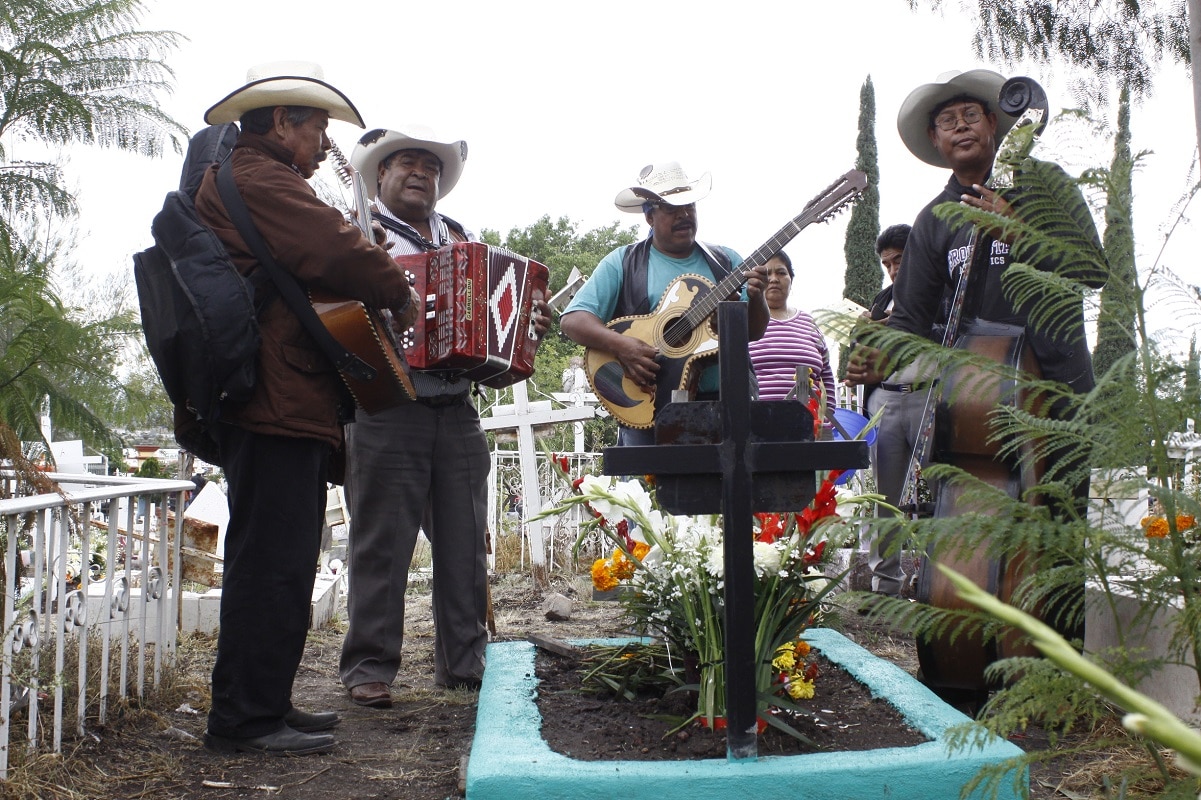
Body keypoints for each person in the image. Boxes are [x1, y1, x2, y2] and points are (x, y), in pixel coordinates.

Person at [194, 62, 418, 755]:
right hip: (273, 397)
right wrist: (397, 289)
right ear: (280, 123)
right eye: (316, 124)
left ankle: (264, 705)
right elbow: (334, 249)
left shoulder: (253, 177)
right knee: (272, 563)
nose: (325, 141)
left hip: (275, 396)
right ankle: (246, 720)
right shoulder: (263, 180)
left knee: (279, 558)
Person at [846, 70, 1106, 624]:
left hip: (1058, 390)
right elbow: (913, 320)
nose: (960, 126)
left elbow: (1093, 269)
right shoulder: (934, 219)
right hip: (976, 403)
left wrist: (1022, 235)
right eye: (947, 121)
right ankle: (975, 669)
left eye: (971, 115)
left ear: (994, 123)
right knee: (973, 535)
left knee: (1059, 534)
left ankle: (1059, 668)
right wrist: (877, 357)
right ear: (937, 143)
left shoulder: (1046, 187)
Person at [338, 126, 550, 708]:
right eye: (405, 164)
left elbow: (494, 319)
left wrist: (524, 327)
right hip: (386, 404)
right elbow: (334, 308)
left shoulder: (464, 239)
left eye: (429, 168)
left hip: (457, 408)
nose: (419, 174)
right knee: (381, 543)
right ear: (379, 175)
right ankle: (369, 668)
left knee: (464, 543)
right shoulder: (360, 233)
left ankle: (465, 661)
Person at [559, 162, 770, 446]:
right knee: (645, 492)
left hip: (727, 408)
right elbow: (572, 320)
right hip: (648, 410)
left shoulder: (726, 262)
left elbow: (753, 332)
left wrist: (757, 298)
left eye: (690, 206)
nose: (684, 215)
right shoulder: (622, 262)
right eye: (672, 208)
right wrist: (622, 346)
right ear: (649, 217)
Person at [747, 251, 836, 403]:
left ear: (791, 280)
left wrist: (825, 418)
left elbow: (826, 377)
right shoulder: (747, 323)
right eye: (767, 274)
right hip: (756, 422)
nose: (774, 279)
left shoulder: (809, 324)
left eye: (781, 273)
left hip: (808, 423)